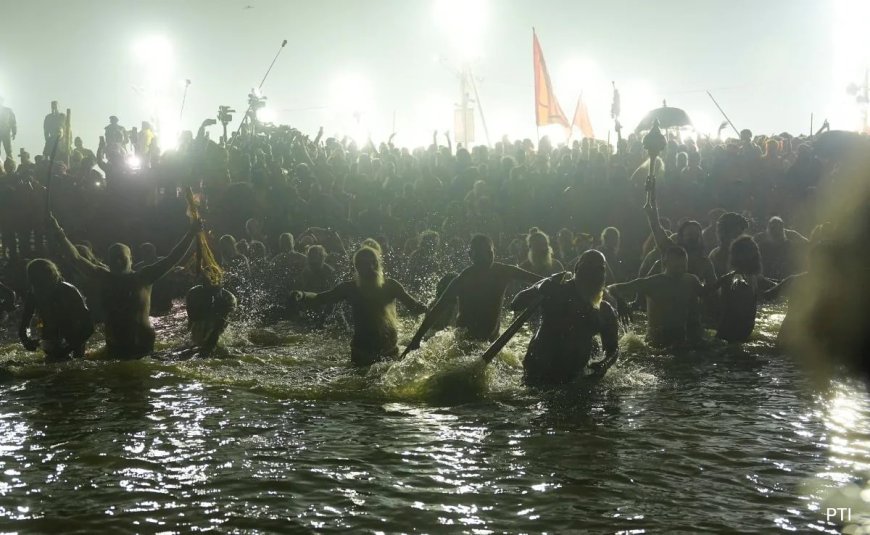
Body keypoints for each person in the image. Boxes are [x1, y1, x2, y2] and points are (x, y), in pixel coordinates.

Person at [47, 214, 199, 359]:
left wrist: (191, 233)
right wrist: (58, 231)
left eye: (121, 258)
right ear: (108, 259)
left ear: (131, 259)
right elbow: (76, 257)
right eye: (114, 258)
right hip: (114, 345)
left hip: (141, 345)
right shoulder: (103, 276)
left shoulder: (143, 277)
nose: (118, 262)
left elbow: (172, 258)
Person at [402, 234, 541, 356]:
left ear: (494, 252)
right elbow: (437, 310)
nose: (485, 258)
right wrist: (416, 340)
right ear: (470, 256)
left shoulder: (504, 271)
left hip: (492, 341)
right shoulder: (462, 279)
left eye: (489, 253)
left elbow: (540, 280)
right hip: (465, 344)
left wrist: (556, 283)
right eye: (480, 254)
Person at [291, 246, 427, 365]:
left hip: (390, 351)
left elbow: (415, 307)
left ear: (378, 264)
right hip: (361, 353)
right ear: (356, 267)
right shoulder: (350, 289)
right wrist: (302, 294)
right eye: (363, 264)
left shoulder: (391, 286)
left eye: (372, 262)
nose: (369, 267)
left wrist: (427, 308)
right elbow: (320, 298)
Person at [511, 250, 620, 387]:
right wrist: (541, 286)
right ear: (577, 269)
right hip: (539, 374)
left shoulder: (605, 310)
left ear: (604, 275)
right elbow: (516, 304)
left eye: (599, 269)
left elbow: (613, 349)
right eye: (588, 267)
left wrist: (604, 364)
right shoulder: (555, 291)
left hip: (574, 379)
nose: (592, 273)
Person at [608, 246, 703, 348]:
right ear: (665, 263)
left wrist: (721, 281)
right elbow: (611, 288)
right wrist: (621, 303)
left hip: (682, 338)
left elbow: (705, 293)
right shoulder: (653, 282)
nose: (680, 270)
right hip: (657, 342)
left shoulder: (690, 280)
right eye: (676, 267)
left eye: (683, 267)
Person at [18, 259, 94, 362]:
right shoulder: (33, 294)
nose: (42, 288)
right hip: (49, 339)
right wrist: (26, 341)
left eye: (43, 282)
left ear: (52, 276)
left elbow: (89, 326)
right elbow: (24, 325)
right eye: (37, 283)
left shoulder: (69, 291)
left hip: (74, 340)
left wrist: (68, 349)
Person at [707, 235, 774, 343]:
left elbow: (769, 291)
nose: (756, 254)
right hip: (730, 338)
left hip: (739, 337)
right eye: (752, 251)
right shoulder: (737, 277)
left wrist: (788, 283)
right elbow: (737, 280)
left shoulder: (753, 277)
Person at [185, 277, 237, 357]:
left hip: (218, 329)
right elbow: (192, 317)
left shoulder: (228, 298)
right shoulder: (194, 293)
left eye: (213, 283)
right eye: (207, 282)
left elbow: (220, 325)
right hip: (198, 327)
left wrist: (208, 347)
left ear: (221, 283)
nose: (210, 286)